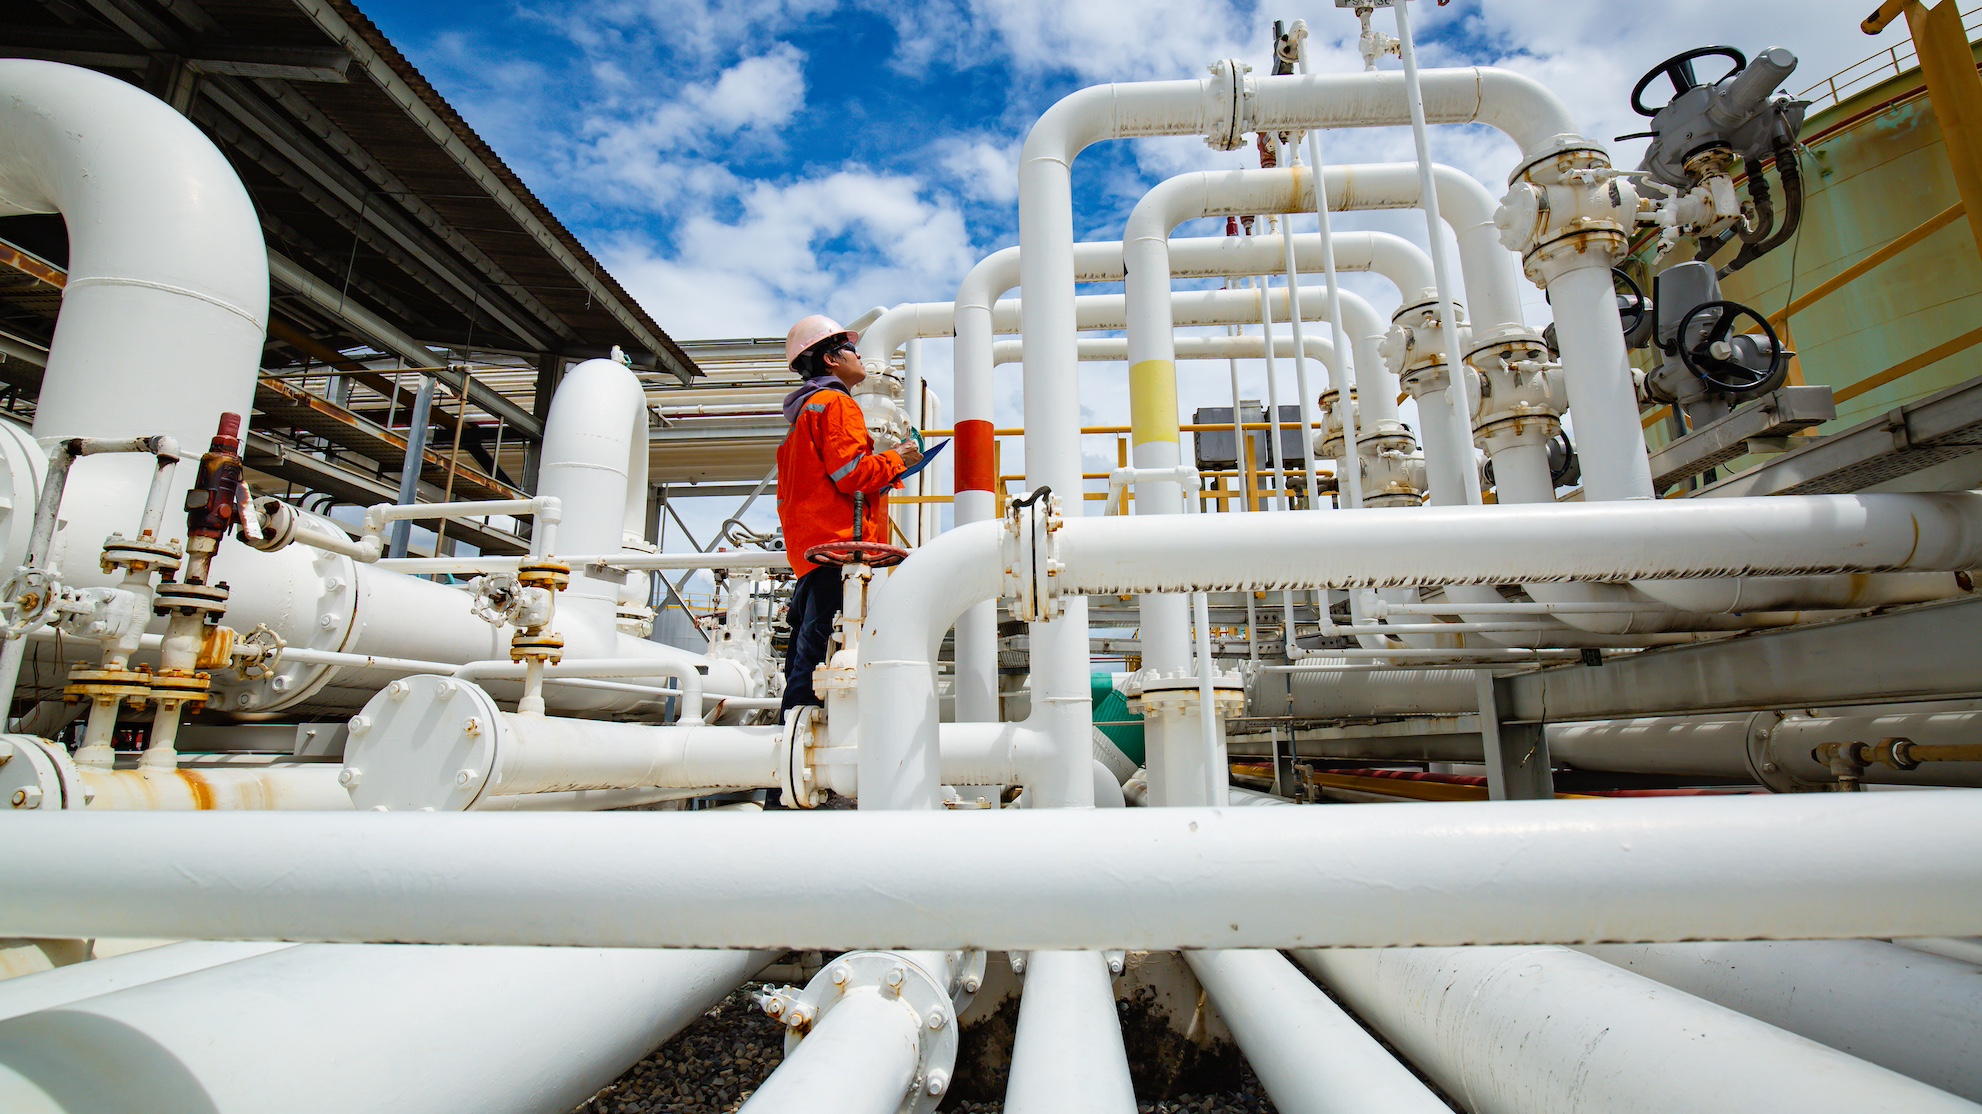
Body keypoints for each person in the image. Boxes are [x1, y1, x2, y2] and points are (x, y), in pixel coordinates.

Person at [775, 315, 922, 721]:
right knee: (826, 658)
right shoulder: (837, 404)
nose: (860, 356)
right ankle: (804, 752)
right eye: (852, 349)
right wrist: (897, 459)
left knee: (806, 659)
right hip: (840, 555)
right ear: (831, 359)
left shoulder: (804, 417)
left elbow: (824, 482)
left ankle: (788, 749)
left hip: (811, 558)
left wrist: (885, 468)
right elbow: (852, 475)